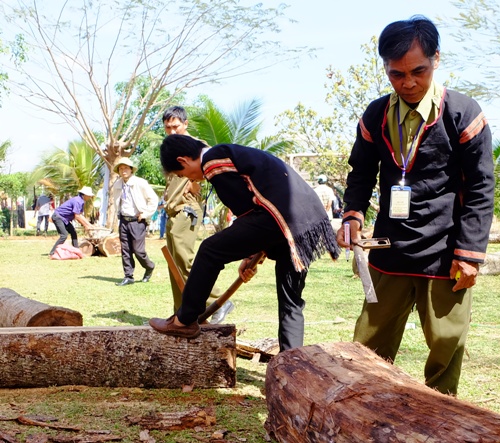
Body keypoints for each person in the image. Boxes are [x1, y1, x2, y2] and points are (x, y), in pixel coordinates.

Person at [336, 16, 495, 396]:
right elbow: (360, 171)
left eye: (417, 71)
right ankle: (361, 411)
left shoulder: (463, 114)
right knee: (367, 344)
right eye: (396, 74)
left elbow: (481, 186)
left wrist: (470, 254)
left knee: (446, 343)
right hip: (390, 248)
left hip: (446, 251)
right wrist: (353, 214)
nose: (407, 82)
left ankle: (442, 416)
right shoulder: (375, 115)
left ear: (436, 59)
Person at [149, 135, 341, 350]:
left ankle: (184, 321)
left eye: (181, 174)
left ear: (183, 161)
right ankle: (291, 362)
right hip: (307, 222)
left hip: (280, 217)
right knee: (290, 302)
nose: (189, 179)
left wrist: (250, 251)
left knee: (210, 250)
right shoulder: (232, 153)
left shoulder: (212, 161)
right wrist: (251, 254)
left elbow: (246, 212)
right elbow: (254, 213)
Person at [161, 106, 234, 323]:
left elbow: (212, 159)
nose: (172, 131)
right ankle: (181, 312)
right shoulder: (170, 148)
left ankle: (218, 300)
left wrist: (195, 181)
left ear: (185, 124)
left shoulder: (196, 145)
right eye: (167, 128)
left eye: (176, 126)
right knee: (174, 262)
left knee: (186, 259)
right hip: (173, 209)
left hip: (188, 208)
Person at [112, 157, 158, 286]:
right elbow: (117, 201)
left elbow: (153, 199)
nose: (123, 171)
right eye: (121, 168)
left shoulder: (140, 183)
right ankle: (128, 276)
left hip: (137, 221)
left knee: (138, 251)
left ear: (131, 169)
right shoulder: (118, 184)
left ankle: (149, 266)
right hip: (124, 220)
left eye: (126, 168)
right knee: (125, 250)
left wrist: (146, 213)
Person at [49, 187, 95, 256]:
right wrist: (85, 225)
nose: (90, 197)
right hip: (59, 217)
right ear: (85, 195)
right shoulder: (78, 201)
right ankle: (52, 253)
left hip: (64, 219)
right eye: (89, 195)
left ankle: (76, 251)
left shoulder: (81, 201)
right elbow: (77, 216)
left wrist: (89, 225)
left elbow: (80, 215)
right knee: (64, 235)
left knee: (73, 233)